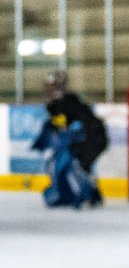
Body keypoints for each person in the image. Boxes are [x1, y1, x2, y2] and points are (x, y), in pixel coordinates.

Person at [33, 70, 108, 207]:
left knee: (76, 164)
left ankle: (87, 194)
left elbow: (83, 125)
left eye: (53, 86)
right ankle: (86, 194)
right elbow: (56, 126)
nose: (50, 90)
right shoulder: (57, 106)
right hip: (88, 139)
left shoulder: (68, 104)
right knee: (68, 163)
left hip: (93, 138)